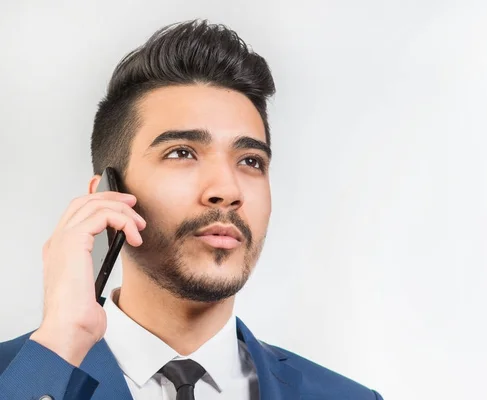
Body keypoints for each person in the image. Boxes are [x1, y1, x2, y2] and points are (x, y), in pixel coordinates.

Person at [0, 19, 383, 400]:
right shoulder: (20, 379)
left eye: (250, 161)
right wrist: (60, 345)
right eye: (182, 152)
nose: (227, 190)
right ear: (106, 194)